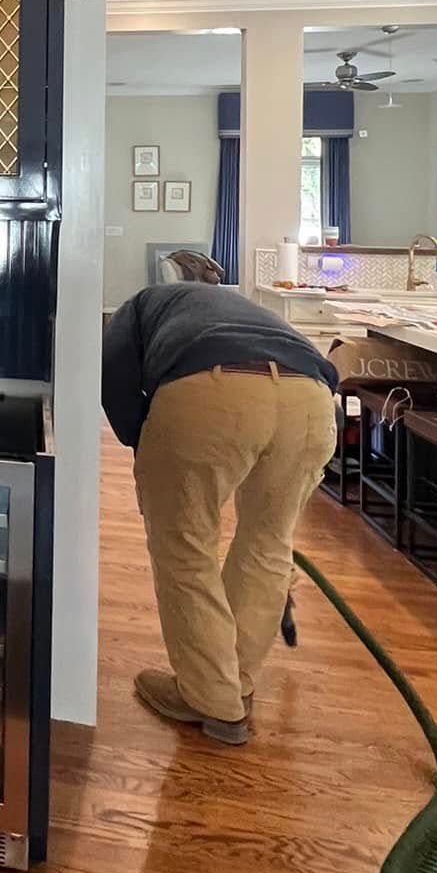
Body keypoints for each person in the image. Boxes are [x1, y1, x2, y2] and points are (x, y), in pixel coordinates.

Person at [101, 283, 338, 745]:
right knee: (269, 545)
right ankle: (236, 683)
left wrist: (143, 445)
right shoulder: (241, 307)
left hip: (212, 390)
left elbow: (112, 377)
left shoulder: (134, 306)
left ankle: (210, 698)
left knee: (186, 549)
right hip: (310, 399)